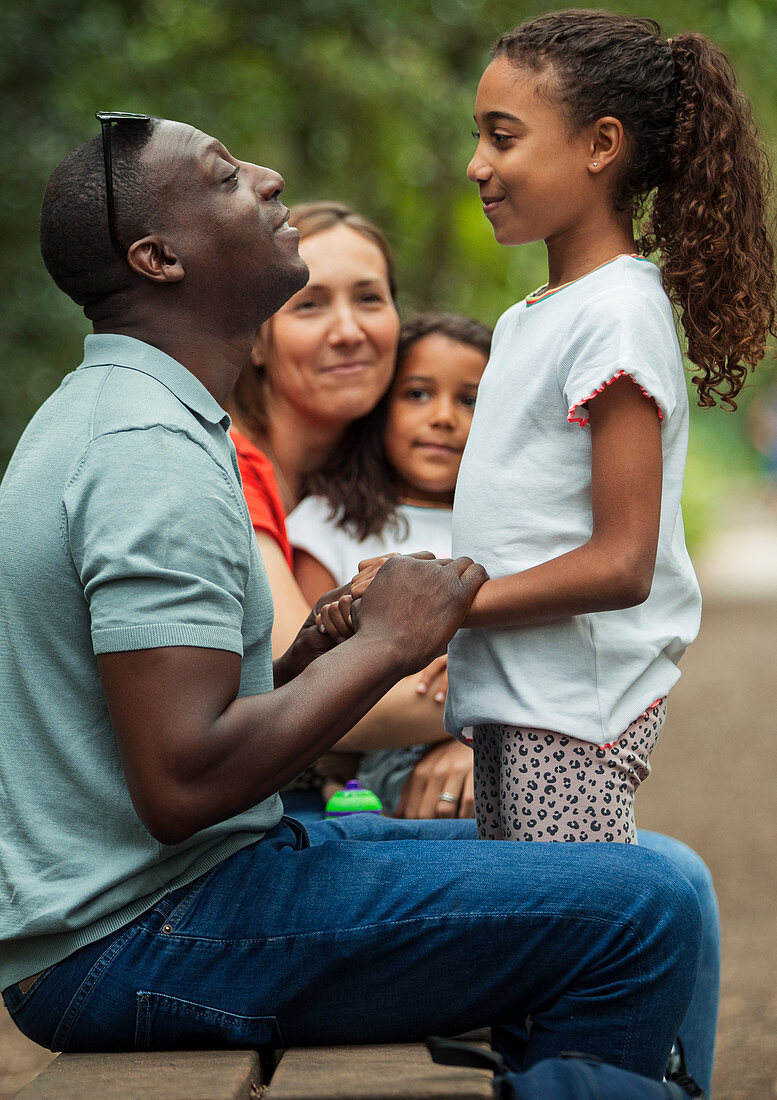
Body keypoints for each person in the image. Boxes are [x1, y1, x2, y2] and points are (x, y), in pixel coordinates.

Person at [0, 114, 712, 1088]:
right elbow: (181, 784)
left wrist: (315, 651)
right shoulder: (147, 457)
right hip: (138, 930)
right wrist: (385, 643)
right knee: (641, 909)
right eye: (222, 176)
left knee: (666, 874)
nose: (267, 172)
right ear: (159, 256)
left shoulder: (138, 414)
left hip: (174, 887)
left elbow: (184, 728)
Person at [387, 11, 772, 848]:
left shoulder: (616, 316)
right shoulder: (535, 316)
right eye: (477, 136)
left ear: (600, 144)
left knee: (563, 956)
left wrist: (447, 607)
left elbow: (621, 562)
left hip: (569, 717)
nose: (476, 164)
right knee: (525, 947)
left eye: (503, 137)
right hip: (514, 701)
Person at [228, 204, 478, 819]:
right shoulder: (227, 464)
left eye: (369, 299)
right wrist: (489, 728)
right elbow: (306, 696)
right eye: (309, 305)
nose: (348, 330)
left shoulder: (392, 487)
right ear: (257, 338)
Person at [287, 312, 491, 816]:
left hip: (484, 759)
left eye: (470, 400)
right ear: (380, 407)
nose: (444, 416)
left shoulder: (502, 534)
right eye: (418, 394)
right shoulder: (327, 524)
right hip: (356, 767)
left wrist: (466, 741)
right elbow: (301, 659)